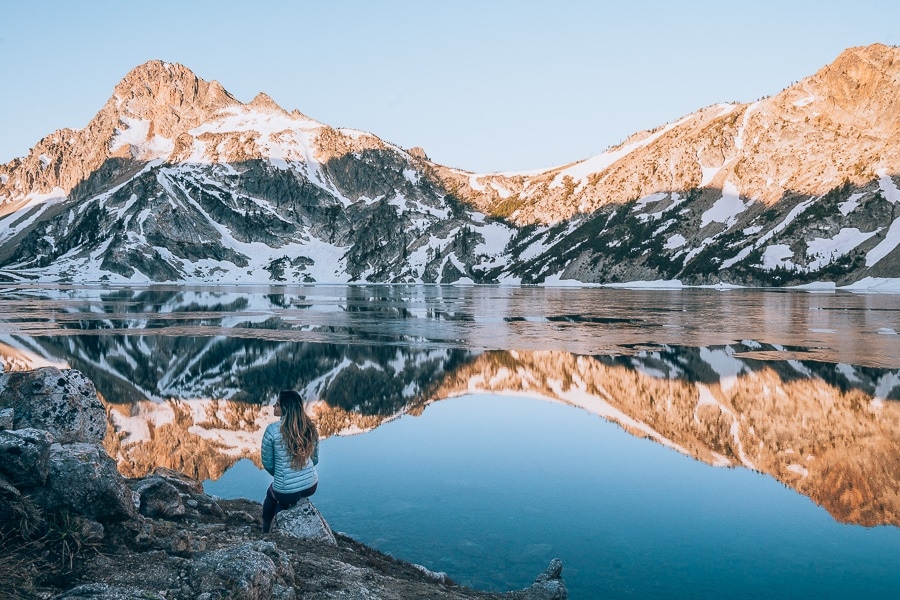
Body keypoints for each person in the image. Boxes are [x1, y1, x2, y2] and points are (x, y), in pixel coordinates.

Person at [261, 389, 319, 533]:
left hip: (285, 490)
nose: (274, 406)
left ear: (285, 408)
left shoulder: (272, 431)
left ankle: (266, 530)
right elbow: (315, 459)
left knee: (272, 494)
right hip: (311, 485)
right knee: (285, 496)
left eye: (278, 404)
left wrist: (281, 475)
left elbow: (268, 463)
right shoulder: (310, 427)